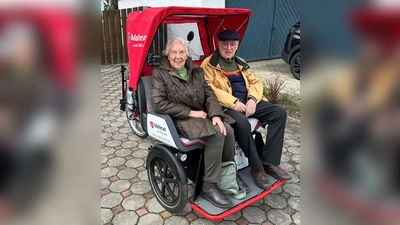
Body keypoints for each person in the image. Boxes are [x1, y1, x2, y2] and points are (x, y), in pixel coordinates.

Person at [151, 37, 248, 208]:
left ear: (187, 55)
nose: (178, 56)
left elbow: (209, 94)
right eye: (174, 52)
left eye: (182, 52)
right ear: (168, 54)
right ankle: (208, 186)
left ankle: (227, 176)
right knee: (216, 134)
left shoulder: (196, 71)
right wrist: (190, 112)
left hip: (202, 115)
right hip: (179, 119)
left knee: (228, 130)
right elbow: (158, 104)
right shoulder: (159, 74)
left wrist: (216, 115)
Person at [201, 30, 291, 190]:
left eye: (232, 45)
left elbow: (255, 82)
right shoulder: (208, 64)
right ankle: (257, 168)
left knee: (279, 113)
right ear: (219, 45)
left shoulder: (241, 62)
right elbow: (209, 89)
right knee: (242, 123)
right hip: (227, 106)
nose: (228, 48)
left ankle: (269, 161)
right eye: (225, 44)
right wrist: (233, 102)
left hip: (248, 103)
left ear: (237, 46)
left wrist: (253, 99)